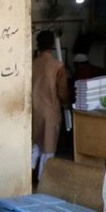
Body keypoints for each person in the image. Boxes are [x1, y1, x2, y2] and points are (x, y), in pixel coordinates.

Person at [31, 30, 71, 179]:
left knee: (35, 145)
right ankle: (43, 184)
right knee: (48, 149)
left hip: (34, 111)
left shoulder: (32, 64)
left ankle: (24, 177)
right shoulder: (57, 66)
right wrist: (67, 104)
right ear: (53, 45)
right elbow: (62, 91)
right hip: (50, 112)